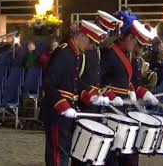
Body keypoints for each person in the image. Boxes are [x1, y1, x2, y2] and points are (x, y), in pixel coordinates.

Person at [40, 20, 111, 166]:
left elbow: (75, 82)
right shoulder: (64, 52)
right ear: (83, 36)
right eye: (91, 43)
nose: (92, 47)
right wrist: (63, 106)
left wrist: (90, 96)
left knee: (65, 152)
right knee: (58, 157)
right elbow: (49, 83)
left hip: (68, 111)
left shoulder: (75, 54)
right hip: (56, 112)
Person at [101, 11, 158, 166]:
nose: (135, 43)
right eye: (133, 39)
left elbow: (126, 81)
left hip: (125, 107)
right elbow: (99, 81)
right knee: (112, 154)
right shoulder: (109, 53)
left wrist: (137, 91)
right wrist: (112, 96)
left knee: (129, 150)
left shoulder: (126, 54)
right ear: (125, 37)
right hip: (112, 109)